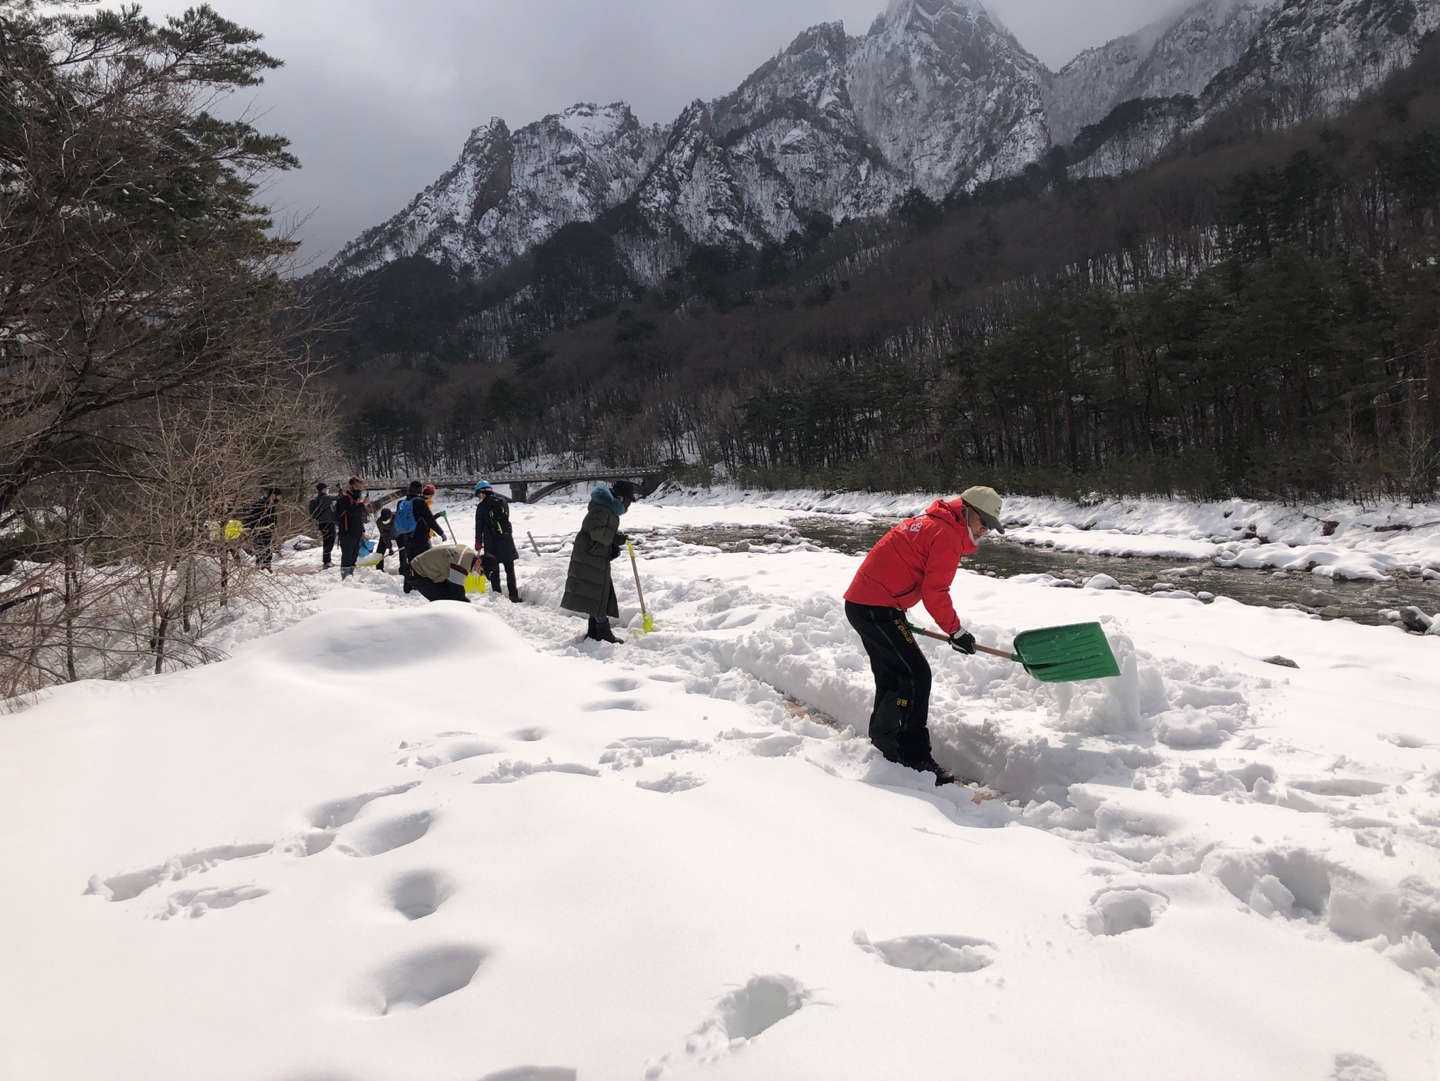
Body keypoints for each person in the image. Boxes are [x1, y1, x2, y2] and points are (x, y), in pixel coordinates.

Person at [842, 485, 1004, 786]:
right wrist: (956, 630)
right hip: (876, 607)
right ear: (967, 511)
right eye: (984, 523)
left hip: (867, 604)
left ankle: (886, 741)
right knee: (917, 675)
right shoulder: (946, 535)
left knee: (894, 675)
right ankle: (915, 757)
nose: (985, 531)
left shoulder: (938, 524)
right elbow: (935, 592)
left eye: (990, 528)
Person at [561, 479, 636, 643]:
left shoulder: (608, 508)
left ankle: (594, 631)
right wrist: (614, 539)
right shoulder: (602, 509)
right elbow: (596, 533)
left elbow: (601, 534)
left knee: (597, 593)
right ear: (621, 497)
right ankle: (602, 632)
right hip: (589, 556)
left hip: (594, 555)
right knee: (598, 594)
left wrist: (612, 546)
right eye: (629, 500)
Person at [474, 480, 520, 602]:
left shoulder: (482, 506)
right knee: (510, 569)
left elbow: (479, 525)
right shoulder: (502, 502)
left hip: (491, 541)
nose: (479, 497)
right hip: (506, 539)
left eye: (478, 494)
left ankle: (497, 596)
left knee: (493, 569)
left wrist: (478, 541)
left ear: (482, 493)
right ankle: (514, 595)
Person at [400, 481, 447, 592]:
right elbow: (429, 520)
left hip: (407, 537)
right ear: (420, 491)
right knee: (425, 562)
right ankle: (423, 586)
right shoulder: (421, 503)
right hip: (421, 538)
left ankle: (407, 587)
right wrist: (441, 532)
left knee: (411, 561)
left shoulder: (403, 502)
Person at [408, 542, 479, 603]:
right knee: (442, 602)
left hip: (428, 569)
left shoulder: (468, 552)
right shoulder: (462, 564)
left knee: (449, 597)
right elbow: (457, 593)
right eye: (481, 571)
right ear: (479, 562)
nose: (479, 574)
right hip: (418, 573)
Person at [334, 476, 370, 579]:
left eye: (360, 487)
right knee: (347, 556)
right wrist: (363, 504)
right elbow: (352, 512)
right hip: (346, 532)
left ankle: (350, 576)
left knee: (354, 556)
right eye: (357, 486)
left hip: (356, 532)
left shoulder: (356, 499)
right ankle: (345, 577)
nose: (359, 489)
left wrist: (362, 530)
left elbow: (358, 517)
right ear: (350, 486)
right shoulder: (344, 499)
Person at [243, 487, 282, 572]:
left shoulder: (271, 505)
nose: (280, 499)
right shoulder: (261, 504)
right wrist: (255, 528)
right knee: (262, 550)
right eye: (279, 496)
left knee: (266, 550)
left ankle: (265, 568)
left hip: (267, 531)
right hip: (260, 531)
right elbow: (253, 517)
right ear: (273, 495)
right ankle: (262, 568)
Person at [307, 482, 337, 569]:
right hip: (328, 523)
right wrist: (341, 490)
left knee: (326, 541)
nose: (328, 490)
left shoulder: (317, 500)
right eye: (327, 488)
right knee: (329, 542)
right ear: (323, 489)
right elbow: (338, 497)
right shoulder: (325, 498)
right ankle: (327, 561)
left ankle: (327, 560)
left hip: (321, 523)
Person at [375, 507, 397, 572]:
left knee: (403, 551)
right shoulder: (379, 522)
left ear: (391, 516)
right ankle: (379, 570)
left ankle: (403, 569)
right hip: (386, 534)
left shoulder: (398, 518)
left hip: (399, 533)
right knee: (379, 551)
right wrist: (389, 547)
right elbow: (384, 535)